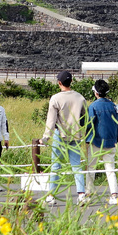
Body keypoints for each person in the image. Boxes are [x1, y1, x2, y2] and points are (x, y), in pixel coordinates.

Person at [40, 70, 87, 206]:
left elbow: (51, 120)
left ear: (59, 83)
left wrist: (45, 138)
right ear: (71, 81)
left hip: (60, 134)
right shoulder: (80, 97)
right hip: (76, 134)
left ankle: (51, 195)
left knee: (56, 165)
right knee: (76, 165)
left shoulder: (55, 98)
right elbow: (85, 116)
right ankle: (81, 194)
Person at [85, 79, 118, 205]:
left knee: (90, 168)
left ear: (96, 93)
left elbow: (90, 124)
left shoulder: (93, 106)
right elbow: (117, 124)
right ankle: (114, 195)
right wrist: (116, 138)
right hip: (111, 141)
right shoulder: (113, 106)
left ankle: (88, 194)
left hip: (96, 141)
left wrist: (86, 139)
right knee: (110, 169)